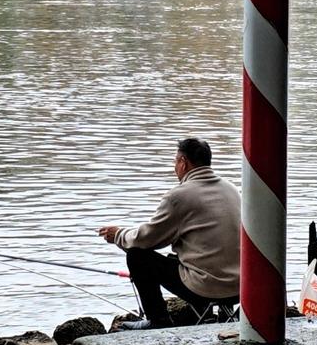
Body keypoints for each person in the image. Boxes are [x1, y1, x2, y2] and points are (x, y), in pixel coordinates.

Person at [97, 138, 241, 330]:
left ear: (183, 162)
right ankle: (223, 315)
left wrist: (118, 235)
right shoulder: (231, 189)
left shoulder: (179, 196)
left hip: (206, 289)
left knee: (138, 256)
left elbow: (146, 239)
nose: (174, 167)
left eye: (175, 162)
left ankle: (158, 321)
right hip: (241, 288)